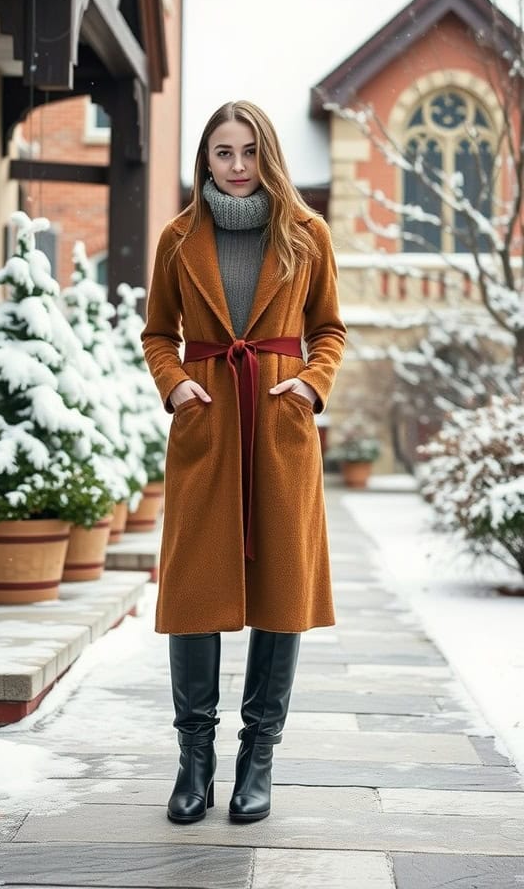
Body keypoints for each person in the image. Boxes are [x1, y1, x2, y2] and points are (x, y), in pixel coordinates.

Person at [141, 100, 346, 825]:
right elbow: (157, 334)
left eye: (248, 151)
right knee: (195, 592)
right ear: (205, 161)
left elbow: (329, 330)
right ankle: (194, 762)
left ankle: (258, 760)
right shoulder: (176, 239)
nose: (235, 165)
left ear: (268, 157)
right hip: (208, 425)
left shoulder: (306, 233)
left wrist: (310, 387)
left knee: (280, 592)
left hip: (279, 427)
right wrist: (177, 385)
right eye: (222, 152)